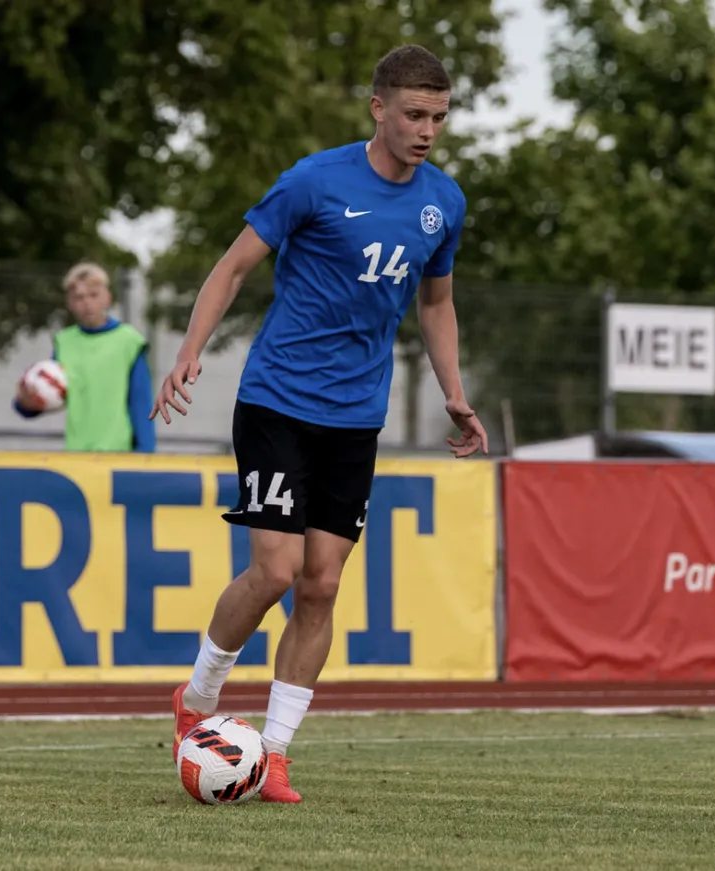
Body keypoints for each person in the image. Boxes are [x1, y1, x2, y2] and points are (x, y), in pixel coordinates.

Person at [150, 44, 488, 804]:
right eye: (412, 114)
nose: (427, 129)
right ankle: (198, 697)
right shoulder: (314, 180)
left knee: (323, 584)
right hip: (277, 401)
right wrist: (189, 352)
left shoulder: (444, 203)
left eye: (438, 116)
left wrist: (454, 392)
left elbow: (436, 304)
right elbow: (234, 265)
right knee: (275, 570)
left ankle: (271, 755)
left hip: (354, 418)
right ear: (378, 109)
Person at [14, 262, 156, 453]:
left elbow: (141, 403)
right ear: (69, 303)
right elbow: (52, 394)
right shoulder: (64, 343)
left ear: (108, 297)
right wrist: (25, 404)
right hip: (77, 457)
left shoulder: (129, 342)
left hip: (119, 456)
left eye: (94, 295)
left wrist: (146, 455)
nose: (87, 303)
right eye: (79, 297)